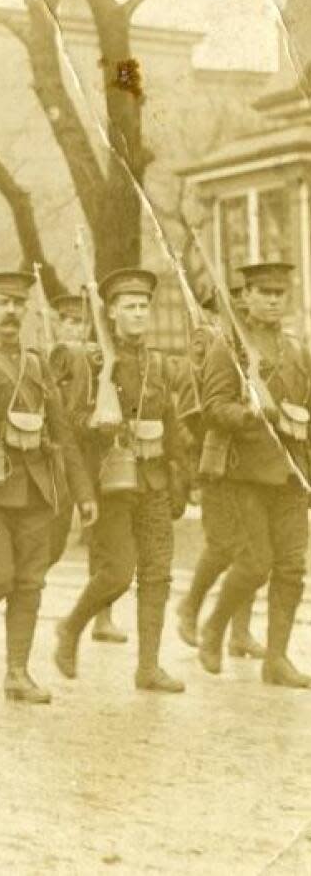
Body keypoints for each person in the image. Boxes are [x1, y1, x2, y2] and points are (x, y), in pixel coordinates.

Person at [0, 270, 95, 704]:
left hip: (35, 487)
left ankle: (17, 673)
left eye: (17, 303)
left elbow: (62, 432)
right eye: (2, 303)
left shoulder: (36, 362)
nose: (11, 311)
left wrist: (82, 493)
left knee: (29, 581)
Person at [53, 269, 185, 692]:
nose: (139, 313)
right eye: (129, 307)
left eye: (144, 306)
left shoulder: (158, 362)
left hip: (154, 479)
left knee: (158, 575)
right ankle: (70, 628)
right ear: (111, 313)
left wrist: (179, 477)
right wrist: (99, 422)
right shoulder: (93, 364)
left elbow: (171, 423)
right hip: (113, 480)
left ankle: (148, 667)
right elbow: (70, 425)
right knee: (118, 573)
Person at [197, 262, 311, 688]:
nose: (273, 300)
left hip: (290, 474)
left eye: (280, 293)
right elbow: (212, 407)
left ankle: (276, 659)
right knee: (255, 564)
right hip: (243, 473)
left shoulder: (298, 350)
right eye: (264, 293)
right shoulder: (230, 348)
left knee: (291, 569)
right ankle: (214, 626)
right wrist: (248, 414)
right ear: (247, 297)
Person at [175, 283, 264, 658]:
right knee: (225, 546)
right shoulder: (205, 357)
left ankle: (240, 632)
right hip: (216, 464)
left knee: (256, 548)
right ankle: (190, 606)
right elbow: (190, 417)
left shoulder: (248, 355)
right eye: (230, 312)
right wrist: (196, 471)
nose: (238, 320)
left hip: (251, 463)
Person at [46, 291, 128, 645]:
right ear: (57, 324)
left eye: (81, 322)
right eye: (69, 321)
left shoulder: (95, 359)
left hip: (95, 456)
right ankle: (22, 587)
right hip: (59, 458)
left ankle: (102, 617)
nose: (76, 329)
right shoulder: (52, 359)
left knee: (103, 541)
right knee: (52, 538)